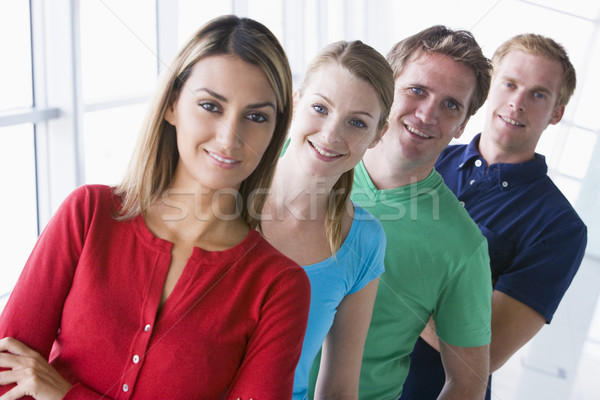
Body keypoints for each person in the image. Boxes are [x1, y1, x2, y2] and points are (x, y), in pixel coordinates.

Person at [0, 15, 311, 399]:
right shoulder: (88, 214)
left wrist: (65, 394)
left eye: (255, 117)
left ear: (274, 132)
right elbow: (7, 374)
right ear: (171, 107)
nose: (231, 138)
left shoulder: (278, 287)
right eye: (211, 106)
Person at [404, 33, 588, 400]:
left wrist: (379, 263)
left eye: (538, 94)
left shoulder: (560, 227)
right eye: (510, 84)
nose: (517, 103)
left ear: (556, 113)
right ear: (489, 87)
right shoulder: (420, 156)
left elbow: (487, 349)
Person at [328, 25, 494, 400]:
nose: (427, 113)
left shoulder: (462, 245)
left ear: (463, 125)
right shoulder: (308, 153)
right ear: (387, 88)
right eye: (417, 90)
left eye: (451, 105)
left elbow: (467, 381)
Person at [260, 40, 393, 400]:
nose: (332, 134)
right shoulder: (224, 192)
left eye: (356, 122)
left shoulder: (364, 240)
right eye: (320, 108)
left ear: (378, 135)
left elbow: (338, 388)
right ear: (296, 101)